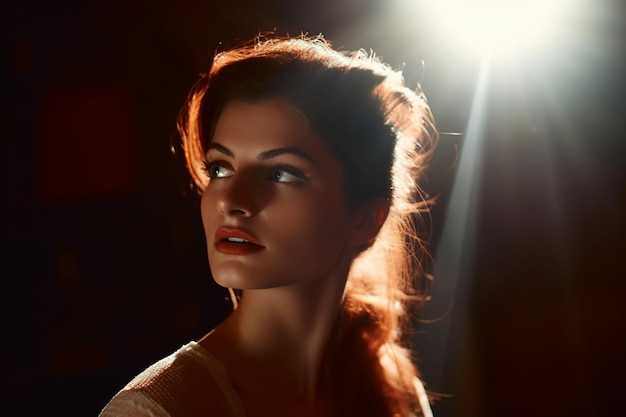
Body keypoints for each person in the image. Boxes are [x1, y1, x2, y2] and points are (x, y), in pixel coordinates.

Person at [99, 34, 438, 417]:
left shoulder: (394, 394)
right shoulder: (159, 409)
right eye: (220, 168)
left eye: (281, 173)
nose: (230, 200)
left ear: (364, 219)